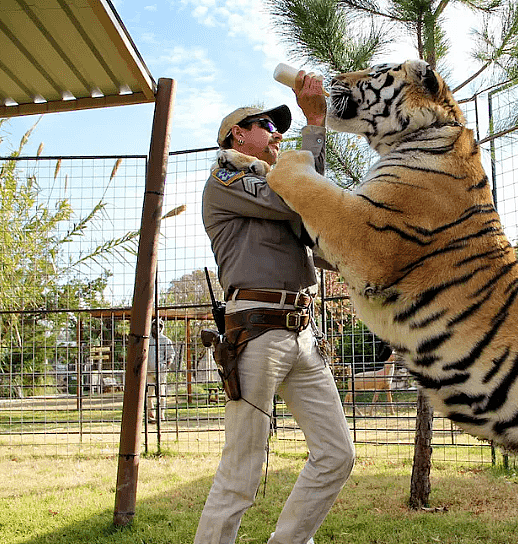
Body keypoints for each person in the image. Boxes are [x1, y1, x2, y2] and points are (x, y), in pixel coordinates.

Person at [195, 71, 355, 544]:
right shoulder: (227, 176)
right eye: (265, 124)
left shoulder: (278, 185)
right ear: (236, 135)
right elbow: (298, 198)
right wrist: (315, 125)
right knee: (241, 472)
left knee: (337, 454)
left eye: (277, 126)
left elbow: (316, 214)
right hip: (257, 332)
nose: (276, 133)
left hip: (302, 334)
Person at [147, 318, 175, 422]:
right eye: (154, 325)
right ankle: (151, 414)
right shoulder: (147, 339)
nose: (156, 327)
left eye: (159, 326)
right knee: (149, 394)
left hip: (161, 372)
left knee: (161, 394)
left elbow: (171, 355)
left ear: (161, 328)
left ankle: (161, 414)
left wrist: (166, 365)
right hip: (148, 371)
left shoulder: (165, 340)